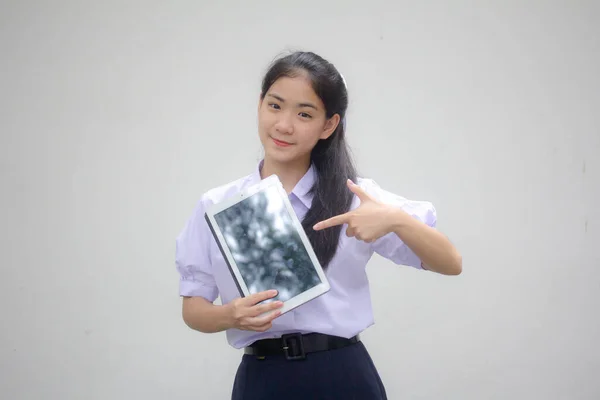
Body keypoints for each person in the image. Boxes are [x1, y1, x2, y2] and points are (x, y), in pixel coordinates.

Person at [175, 51, 462, 400]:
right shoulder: (217, 205)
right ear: (260, 104)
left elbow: (450, 263)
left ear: (329, 125)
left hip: (341, 375)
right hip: (262, 378)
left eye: (304, 114)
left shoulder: (357, 197)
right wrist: (230, 315)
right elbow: (193, 309)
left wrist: (395, 219)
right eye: (275, 106)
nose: (283, 125)